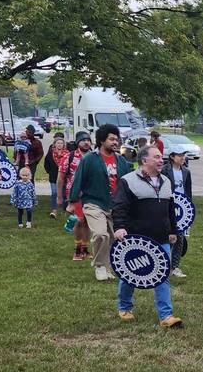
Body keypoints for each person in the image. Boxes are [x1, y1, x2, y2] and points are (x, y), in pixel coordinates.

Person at [112, 145, 182, 328]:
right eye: (156, 157)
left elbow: (170, 208)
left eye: (161, 157)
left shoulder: (166, 181)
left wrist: (173, 230)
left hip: (161, 237)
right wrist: (119, 227)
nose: (161, 160)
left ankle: (166, 316)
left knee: (162, 274)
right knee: (130, 274)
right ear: (144, 160)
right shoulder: (127, 181)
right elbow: (119, 207)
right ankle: (124, 307)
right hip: (136, 239)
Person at [69, 124, 132, 281]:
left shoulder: (121, 161)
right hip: (93, 202)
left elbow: (128, 183)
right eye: (111, 139)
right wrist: (73, 201)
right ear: (102, 140)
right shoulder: (90, 159)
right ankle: (99, 266)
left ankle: (108, 267)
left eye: (117, 139)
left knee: (113, 238)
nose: (115, 142)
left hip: (115, 205)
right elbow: (78, 180)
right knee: (100, 234)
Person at [59, 131, 93, 261]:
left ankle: (85, 248)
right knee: (79, 221)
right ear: (78, 142)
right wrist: (59, 197)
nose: (86, 142)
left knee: (88, 222)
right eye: (83, 140)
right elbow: (61, 177)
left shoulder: (94, 156)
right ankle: (78, 249)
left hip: (91, 195)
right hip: (75, 195)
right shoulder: (70, 156)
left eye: (88, 140)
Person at [166, 149, 193, 278]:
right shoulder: (165, 170)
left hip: (181, 208)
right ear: (172, 156)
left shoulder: (186, 172)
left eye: (184, 155)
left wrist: (189, 209)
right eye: (180, 155)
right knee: (168, 237)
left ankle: (175, 267)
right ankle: (164, 263)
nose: (183, 157)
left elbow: (188, 191)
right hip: (167, 206)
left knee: (180, 237)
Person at [43, 134, 69, 218]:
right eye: (58, 143)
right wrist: (49, 171)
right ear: (54, 144)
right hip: (53, 176)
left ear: (64, 144)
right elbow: (46, 163)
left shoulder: (67, 154)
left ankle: (65, 210)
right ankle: (54, 210)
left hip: (64, 177)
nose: (59, 145)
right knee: (54, 193)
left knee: (64, 194)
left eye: (61, 143)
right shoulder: (51, 153)